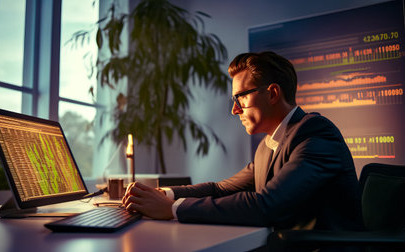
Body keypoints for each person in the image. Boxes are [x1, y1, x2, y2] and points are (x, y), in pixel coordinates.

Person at [122, 51, 364, 231]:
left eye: (240, 97)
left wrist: (172, 210)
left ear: (272, 94)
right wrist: (163, 194)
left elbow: (268, 205)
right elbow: (220, 189)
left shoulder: (316, 133)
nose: (235, 110)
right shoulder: (268, 145)